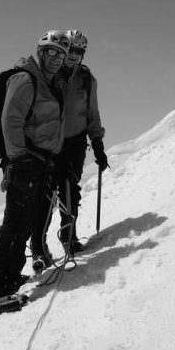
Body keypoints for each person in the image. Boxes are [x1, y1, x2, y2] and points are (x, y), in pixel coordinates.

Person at [0, 30, 68, 316]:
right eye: (51, 52)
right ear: (40, 52)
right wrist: (18, 158)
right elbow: (10, 119)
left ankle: (10, 280)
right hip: (25, 162)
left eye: (61, 54)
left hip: (37, 162)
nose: (57, 58)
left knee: (24, 224)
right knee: (13, 226)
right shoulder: (26, 78)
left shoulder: (47, 83)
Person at [31, 30, 108, 269]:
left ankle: (68, 236)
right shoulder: (50, 76)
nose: (75, 55)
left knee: (70, 191)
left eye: (80, 51)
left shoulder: (86, 78)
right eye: (72, 49)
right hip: (49, 143)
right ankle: (38, 249)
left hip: (74, 142)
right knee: (46, 194)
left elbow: (92, 113)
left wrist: (98, 144)